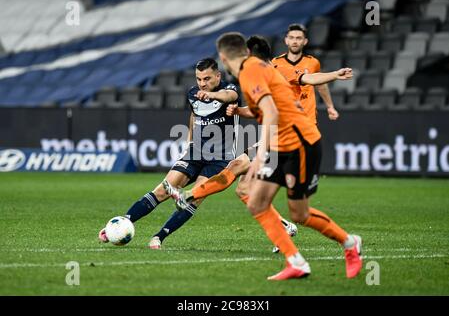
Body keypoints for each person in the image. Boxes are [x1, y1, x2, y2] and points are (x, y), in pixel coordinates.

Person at [175, 32, 362, 281]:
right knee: (255, 202)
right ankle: (296, 262)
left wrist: (261, 156)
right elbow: (265, 109)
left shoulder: (250, 70)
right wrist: (242, 112)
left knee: (300, 214)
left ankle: (350, 243)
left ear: (222, 57)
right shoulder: (257, 68)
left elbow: (271, 113)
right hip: (281, 142)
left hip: (300, 142)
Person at [98, 58, 241, 249]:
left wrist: (212, 96)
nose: (202, 83)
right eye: (199, 79)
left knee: (193, 198)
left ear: (218, 75)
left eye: (207, 79)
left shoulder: (229, 88)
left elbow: (229, 96)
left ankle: (159, 237)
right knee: (162, 190)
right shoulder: (193, 93)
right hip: (195, 153)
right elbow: (194, 115)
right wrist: (189, 142)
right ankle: (120, 224)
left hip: (219, 158)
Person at [273, 23, 339, 123]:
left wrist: (330, 106)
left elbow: (321, 84)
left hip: (308, 120)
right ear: (286, 40)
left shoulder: (313, 62)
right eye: (291, 38)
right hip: (285, 119)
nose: (295, 41)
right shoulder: (275, 63)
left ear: (305, 41)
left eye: (299, 38)